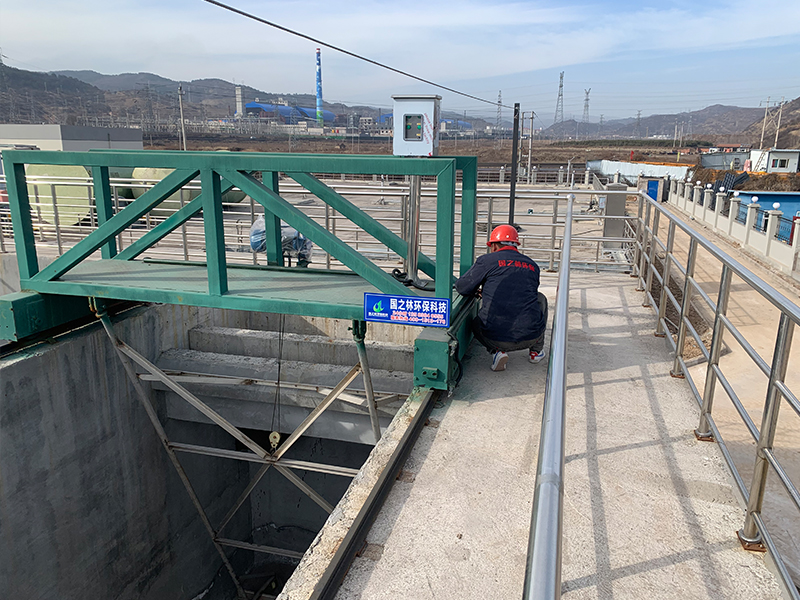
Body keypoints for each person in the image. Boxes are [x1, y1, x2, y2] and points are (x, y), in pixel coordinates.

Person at [455, 224, 548, 371]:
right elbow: (526, 292)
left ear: (494, 246)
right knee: (540, 298)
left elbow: (462, 287)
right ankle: (536, 351)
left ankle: (497, 352)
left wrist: (481, 291)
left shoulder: (487, 260)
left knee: (476, 323)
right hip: (531, 337)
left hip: (495, 339)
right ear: (516, 245)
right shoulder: (532, 265)